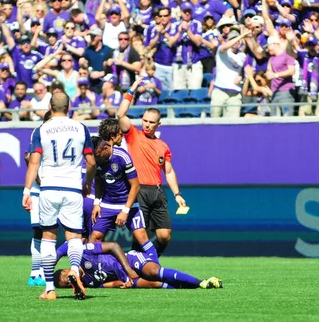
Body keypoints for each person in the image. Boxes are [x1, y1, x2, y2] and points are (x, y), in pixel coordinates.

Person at [22, 92, 96, 301]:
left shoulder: (41, 129)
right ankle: (74, 268)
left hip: (49, 189)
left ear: (49, 106)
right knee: (74, 236)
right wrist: (87, 183)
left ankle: (49, 289)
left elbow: (34, 162)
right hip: (72, 188)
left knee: (48, 237)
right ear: (70, 106)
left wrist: (27, 191)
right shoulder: (81, 128)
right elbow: (91, 162)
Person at [117, 78, 187, 256]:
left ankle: (151, 261)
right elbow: (120, 115)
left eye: (151, 122)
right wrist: (132, 88)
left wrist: (177, 195)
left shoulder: (163, 146)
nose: (147, 124)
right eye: (145, 120)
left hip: (157, 192)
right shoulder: (133, 135)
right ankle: (136, 269)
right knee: (140, 236)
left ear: (158, 124)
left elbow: (169, 172)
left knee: (164, 236)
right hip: (138, 191)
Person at [91, 121, 157, 260]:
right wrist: (97, 202)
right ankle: (94, 272)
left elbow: (136, 186)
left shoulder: (122, 157)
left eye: (97, 155)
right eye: (120, 134)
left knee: (142, 237)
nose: (122, 137)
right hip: (107, 205)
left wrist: (125, 211)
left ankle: (156, 269)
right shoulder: (95, 157)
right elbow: (98, 181)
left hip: (127, 204)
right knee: (94, 238)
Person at [54, 241, 222, 290]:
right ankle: (195, 286)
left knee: (154, 272)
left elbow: (113, 246)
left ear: (66, 270)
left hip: (129, 260)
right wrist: (121, 284)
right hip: (126, 277)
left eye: (66, 278)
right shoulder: (87, 283)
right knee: (154, 284)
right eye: (67, 284)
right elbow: (106, 284)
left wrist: (127, 268)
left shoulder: (83, 253)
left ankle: (201, 281)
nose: (70, 281)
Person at [24, 110, 52, 287]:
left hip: (51, 189)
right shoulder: (40, 133)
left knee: (47, 231)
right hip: (39, 191)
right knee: (39, 231)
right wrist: (40, 180)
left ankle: (40, 272)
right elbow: (29, 157)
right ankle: (35, 273)